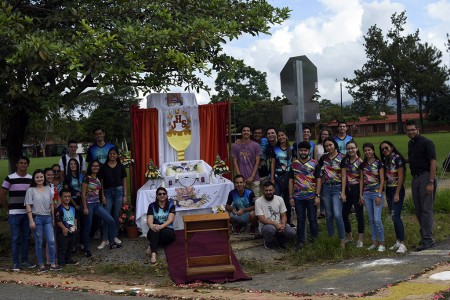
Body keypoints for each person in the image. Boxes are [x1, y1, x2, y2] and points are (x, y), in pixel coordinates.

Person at [406, 120, 437, 251]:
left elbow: (433, 162)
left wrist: (430, 182)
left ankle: (428, 240)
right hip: (415, 178)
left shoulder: (427, 142)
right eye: (408, 130)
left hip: (426, 177)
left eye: (413, 129)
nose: (411, 132)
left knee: (426, 210)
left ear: (417, 129)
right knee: (419, 210)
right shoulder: (411, 143)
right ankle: (425, 236)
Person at [0, 156, 35, 271]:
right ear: (17, 164)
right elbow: (2, 194)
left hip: (27, 213)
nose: (23, 165)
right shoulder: (10, 178)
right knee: (15, 238)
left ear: (27, 165)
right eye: (21, 163)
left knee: (26, 237)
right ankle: (15, 263)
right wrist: (7, 209)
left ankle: (24, 261)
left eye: (25, 163)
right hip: (14, 213)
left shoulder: (31, 179)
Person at [81, 160, 122, 258]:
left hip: (97, 204)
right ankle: (86, 249)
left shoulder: (98, 177)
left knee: (111, 220)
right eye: (93, 166)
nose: (95, 167)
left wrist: (102, 196)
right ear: (90, 167)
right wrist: (85, 207)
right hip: (88, 205)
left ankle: (112, 243)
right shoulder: (87, 178)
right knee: (88, 226)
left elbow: (100, 189)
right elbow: (82, 193)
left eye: (97, 166)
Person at [24, 169, 61, 272]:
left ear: (44, 178)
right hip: (37, 218)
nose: (39, 179)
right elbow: (28, 206)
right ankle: (41, 264)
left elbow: (51, 205)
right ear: (34, 179)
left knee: (51, 240)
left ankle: (53, 263)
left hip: (48, 218)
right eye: (37, 177)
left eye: (41, 177)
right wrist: (31, 220)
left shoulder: (48, 189)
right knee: (39, 242)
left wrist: (53, 218)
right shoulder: (30, 190)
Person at [314, 137, 346, 248]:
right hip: (326, 188)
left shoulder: (342, 157)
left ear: (335, 144)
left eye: (330, 145)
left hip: (337, 188)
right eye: (326, 146)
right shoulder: (324, 158)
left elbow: (344, 176)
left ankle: (342, 240)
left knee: (337, 215)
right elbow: (318, 170)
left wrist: (343, 192)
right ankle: (332, 238)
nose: (329, 147)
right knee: (329, 215)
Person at [288, 141, 319, 250]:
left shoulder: (314, 163)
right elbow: (291, 181)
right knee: (300, 220)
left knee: (313, 219)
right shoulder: (294, 164)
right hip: (298, 197)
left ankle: (315, 241)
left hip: (311, 196)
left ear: (309, 151)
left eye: (305, 150)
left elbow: (318, 180)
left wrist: (317, 195)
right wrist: (291, 197)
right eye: (301, 150)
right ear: (298, 151)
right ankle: (300, 241)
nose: (303, 152)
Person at [380, 140, 407, 254]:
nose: (384, 150)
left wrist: (397, 193)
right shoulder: (386, 160)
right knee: (393, 216)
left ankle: (403, 243)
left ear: (391, 147)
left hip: (397, 190)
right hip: (389, 189)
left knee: (396, 216)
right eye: (382, 149)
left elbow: (401, 177)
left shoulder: (397, 158)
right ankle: (397, 240)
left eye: (386, 148)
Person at [98, 147, 127, 249]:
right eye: (110, 154)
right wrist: (102, 196)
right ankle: (105, 239)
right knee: (106, 216)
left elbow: (124, 181)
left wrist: (125, 195)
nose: (112, 155)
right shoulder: (103, 167)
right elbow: (100, 183)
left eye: (114, 154)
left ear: (117, 155)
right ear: (108, 155)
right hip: (107, 193)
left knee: (115, 215)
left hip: (119, 192)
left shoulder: (120, 166)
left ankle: (114, 236)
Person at [359, 143, 385, 252]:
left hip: (376, 193)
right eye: (365, 150)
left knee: (377, 219)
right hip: (366, 194)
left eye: (369, 150)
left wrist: (379, 194)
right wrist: (360, 195)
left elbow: (382, 180)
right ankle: (374, 242)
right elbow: (361, 180)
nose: (367, 152)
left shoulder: (379, 163)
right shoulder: (362, 165)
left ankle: (382, 243)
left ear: (373, 151)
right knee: (371, 219)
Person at [255, 181, 295, 250]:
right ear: (263, 191)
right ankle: (267, 241)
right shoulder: (258, 201)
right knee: (270, 229)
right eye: (266, 190)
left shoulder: (279, 199)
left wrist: (283, 225)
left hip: (279, 224)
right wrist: (275, 224)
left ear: (274, 190)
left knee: (292, 232)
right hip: (265, 225)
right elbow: (261, 219)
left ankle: (280, 239)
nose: (268, 192)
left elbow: (284, 215)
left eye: (270, 190)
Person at [341, 140, 365, 247]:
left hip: (357, 189)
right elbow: (343, 177)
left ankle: (360, 239)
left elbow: (361, 179)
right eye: (348, 148)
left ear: (356, 148)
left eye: (352, 148)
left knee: (359, 214)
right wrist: (343, 192)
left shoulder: (361, 162)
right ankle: (349, 235)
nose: (350, 150)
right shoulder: (345, 161)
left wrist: (360, 195)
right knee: (344, 213)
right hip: (347, 189)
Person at [146, 187, 176, 265]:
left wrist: (160, 227)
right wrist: (152, 226)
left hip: (167, 230)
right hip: (155, 228)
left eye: (164, 193)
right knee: (154, 231)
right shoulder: (152, 206)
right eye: (159, 194)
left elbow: (170, 220)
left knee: (160, 233)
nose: (162, 195)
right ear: (157, 196)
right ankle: (153, 254)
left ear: (166, 195)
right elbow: (149, 219)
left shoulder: (171, 205)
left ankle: (152, 245)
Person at [270, 129, 294, 227]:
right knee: (277, 199)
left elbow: (294, 163)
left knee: (288, 200)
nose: (281, 137)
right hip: (277, 177)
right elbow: (272, 164)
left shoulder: (291, 149)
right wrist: (272, 178)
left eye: (282, 135)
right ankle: (276, 220)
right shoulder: (275, 149)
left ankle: (289, 221)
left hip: (288, 178)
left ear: (286, 136)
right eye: (279, 136)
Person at [231, 125, 262, 195]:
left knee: (255, 200)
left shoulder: (256, 145)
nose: (246, 132)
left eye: (248, 131)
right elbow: (235, 162)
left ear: (250, 133)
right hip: (241, 180)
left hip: (254, 179)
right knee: (242, 200)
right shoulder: (235, 146)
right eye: (244, 131)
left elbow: (257, 162)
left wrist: (252, 177)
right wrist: (240, 177)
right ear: (241, 133)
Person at [55, 189, 79, 266]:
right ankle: (61, 262)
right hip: (63, 232)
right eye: (65, 197)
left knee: (70, 247)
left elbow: (75, 218)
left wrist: (75, 226)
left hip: (72, 230)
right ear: (61, 197)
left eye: (69, 196)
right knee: (62, 248)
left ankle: (68, 260)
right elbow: (58, 221)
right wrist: (63, 228)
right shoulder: (59, 209)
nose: (67, 198)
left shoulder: (72, 208)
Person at [313, 127, 333, 219]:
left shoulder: (331, 146)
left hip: (330, 172)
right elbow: (315, 161)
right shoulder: (317, 147)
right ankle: (322, 211)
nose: (324, 136)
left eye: (326, 134)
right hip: (320, 171)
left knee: (328, 191)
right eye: (323, 134)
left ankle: (329, 209)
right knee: (320, 191)